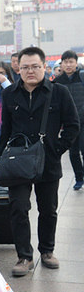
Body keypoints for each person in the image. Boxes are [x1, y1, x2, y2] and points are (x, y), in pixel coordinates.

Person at [0, 47, 79, 276]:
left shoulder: (59, 92)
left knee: (48, 209)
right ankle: (24, 256)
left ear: (44, 66)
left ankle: (47, 251)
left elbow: (73, 125)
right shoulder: (9, 94)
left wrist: (56, 150)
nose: (30, 71)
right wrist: (1, 159)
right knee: (18, 207)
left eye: (35, 66)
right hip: (18, 161)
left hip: (48, 161)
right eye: (25, 67)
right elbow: (6, 128)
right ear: (18, 68)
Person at [53, 50, 84, 190]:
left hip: (83, 121)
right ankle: (78, 178)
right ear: (62, 64)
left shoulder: (82, 77)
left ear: (76, 63)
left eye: (71, 61)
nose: (68, 64)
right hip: (69, 124)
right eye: (66, 62)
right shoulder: (57, 81)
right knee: (73, 152)